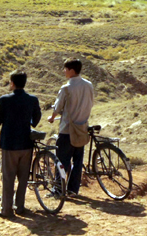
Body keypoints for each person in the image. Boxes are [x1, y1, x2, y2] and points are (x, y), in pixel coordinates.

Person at [0, 70, 41, 219]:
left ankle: (7, 210)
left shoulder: (5, 100)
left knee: (8, 178)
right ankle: (20, 207)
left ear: (12, 83)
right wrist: (30, 124)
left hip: (10, 144)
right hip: (26, 143)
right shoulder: (32, 99)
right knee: (23, 177)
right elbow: (37, 116)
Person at [47, 58, 94, 196]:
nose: (64, 71)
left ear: (71, 70)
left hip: (67, 130)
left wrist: (52, 117)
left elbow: (58, 107)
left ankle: (58, 190)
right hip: (82, 128)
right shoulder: (89, 85)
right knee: (78, 161)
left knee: (61, 161)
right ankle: (73, 189)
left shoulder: (66, 88)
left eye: (65, 69)